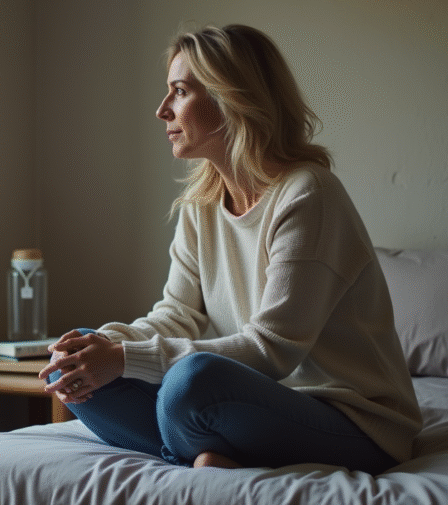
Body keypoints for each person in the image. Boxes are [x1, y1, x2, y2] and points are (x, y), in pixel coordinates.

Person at [38, 24, 422, 473]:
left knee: (190, 383)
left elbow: (272, 350)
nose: (162, 110)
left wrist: (124, 359)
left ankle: (199, 445)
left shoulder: (308, 194)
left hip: (352, 422)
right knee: (83, 364)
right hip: (248, 408)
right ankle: (208, 450)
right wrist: (98, 347)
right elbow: (177, 315)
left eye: (179, 92)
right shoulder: (201, 204)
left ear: (232, 97)